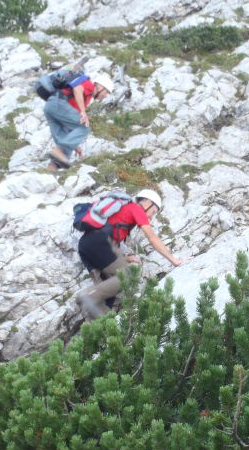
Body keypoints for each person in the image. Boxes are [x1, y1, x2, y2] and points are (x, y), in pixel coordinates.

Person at [75, 189, 183, 320]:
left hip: (88, 246)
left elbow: (109, 255)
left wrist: (125, 258)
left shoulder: (123, 211)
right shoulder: (136, 208)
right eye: (153, 211)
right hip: (100, 242)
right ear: (147, 202)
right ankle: (89, 295)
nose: (151, 216)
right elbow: (152, 238)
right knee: (128, 276)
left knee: (104, 302)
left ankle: (100, 329)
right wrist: (173, 260)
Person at [44, 72, 114, 169]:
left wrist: (74, 144)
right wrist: (83, 112)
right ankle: (58, 152)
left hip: (52, 108)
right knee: (84, 127)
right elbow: (77, 89)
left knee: (63, 154)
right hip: (58, 103)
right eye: (106, 92)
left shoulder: (87, 98)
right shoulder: (89, 85)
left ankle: (49, 174)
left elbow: (71, 121)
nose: (106, 96)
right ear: (100, 86)